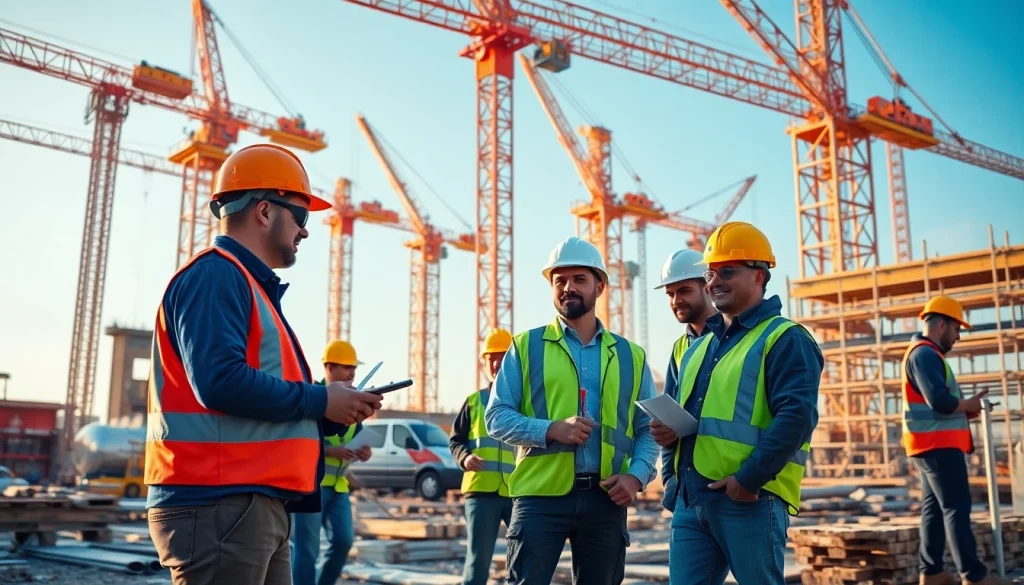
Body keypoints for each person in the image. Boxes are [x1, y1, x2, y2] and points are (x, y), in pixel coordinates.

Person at [144, 143, 383, 585]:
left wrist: (333, 412)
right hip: (220, 502)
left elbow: (255, 403)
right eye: (302, 216)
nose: (306, 232)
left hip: (247, 503)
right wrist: (318, 400)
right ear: (264, 211)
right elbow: (219, 383)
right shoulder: (216, 276)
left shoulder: (247, 287)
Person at [485, 236, 659, 585]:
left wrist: (637, 476)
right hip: (539, 498)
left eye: (579, 279)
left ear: (600, 286)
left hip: (606, 497)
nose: (568, 288)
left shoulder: (631, 356)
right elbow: (496, 416)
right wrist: (550, 429)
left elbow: (647, 430)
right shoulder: (525, 346)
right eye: (559, 281)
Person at [659, 221, 822, 585]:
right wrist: (671, 476)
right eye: (711, 273)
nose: (714, 281)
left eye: (727, 271)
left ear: (760, 277)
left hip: (748, 500)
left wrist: (748, 481)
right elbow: (688, 421)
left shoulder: (785, 338)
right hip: (691, 500)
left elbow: (797, 417)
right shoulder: (698, 348)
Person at [903, 295, 1007, 585]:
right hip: (937, 445)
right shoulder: (924, 354)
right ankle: (973, 576)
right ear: (940, 324)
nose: (958, 336)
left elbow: (940, 405)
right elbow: (939, 401)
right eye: (956, 329)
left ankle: (932, 572)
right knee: (956, 507)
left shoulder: (925, 354)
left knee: (935, 509)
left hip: (930, 444)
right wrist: (967, 405)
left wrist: (968, 411)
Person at [291, 340, 374, 585]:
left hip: (338, 488)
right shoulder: (312, 397)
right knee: (307, 549)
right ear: (329, 367)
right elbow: (299, 438)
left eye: (354, 368)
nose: (352, 373)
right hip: (310, 487)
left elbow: (356, 438)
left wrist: (363, 452)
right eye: (346, 367)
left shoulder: (351, 404)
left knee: (344, 540)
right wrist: (330, 450)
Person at [648, 248, 717, 509]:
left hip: (731, 486)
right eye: (670, 294)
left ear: (708, 288)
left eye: (684, 291)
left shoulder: (734, 339)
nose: (676, 300)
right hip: (687, 489)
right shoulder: (680, 348)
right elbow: (670, 417)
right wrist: (670, 481)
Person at [449, 328, 516, 585]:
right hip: (480, 493)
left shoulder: (525, 403)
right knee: (478, 562)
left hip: (517, 493)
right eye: (492, 358)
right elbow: (456, 440)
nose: (497, 363)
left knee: (524, 560)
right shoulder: (474, 401)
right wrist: (465, 458)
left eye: (503, 357)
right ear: (484, 363)